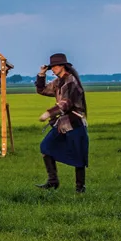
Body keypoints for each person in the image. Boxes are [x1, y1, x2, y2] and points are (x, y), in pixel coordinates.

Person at [36, 53, 88, 192]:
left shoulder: (71, 82)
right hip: (62, 124)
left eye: (54, 67)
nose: (52, 70)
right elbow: (41, 90)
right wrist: (41, 74)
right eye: (51, 67)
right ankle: (53, 181)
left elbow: (66, 103)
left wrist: (49, 113)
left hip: (74, 122)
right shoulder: (58, 82)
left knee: (79, 156)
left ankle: (80, 188)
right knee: (45, 146)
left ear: (62, 66)